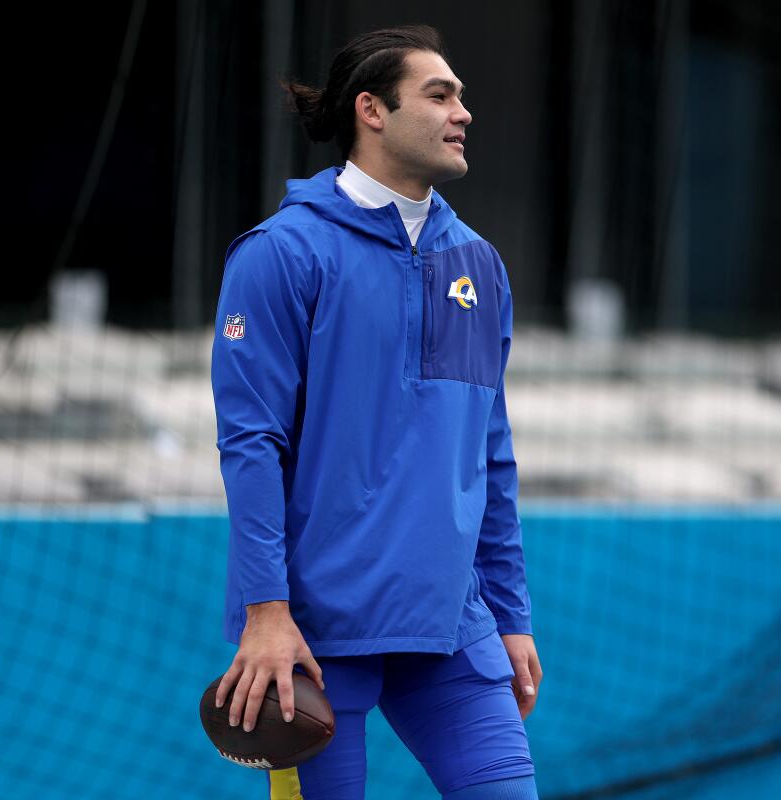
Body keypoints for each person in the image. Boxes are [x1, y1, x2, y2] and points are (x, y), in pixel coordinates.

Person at [209, 25, 542, 800]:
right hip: (313, 635)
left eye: (461, 95)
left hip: (453, 625)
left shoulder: (477, 264)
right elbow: (251, 443)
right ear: (372, 110)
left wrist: (510, 611)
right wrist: (266, 611)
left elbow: (488, 451)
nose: (464, 112)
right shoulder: (281, 253)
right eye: (440, 94)